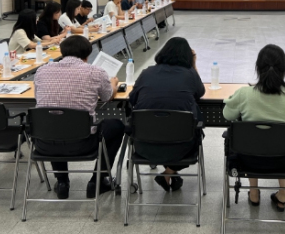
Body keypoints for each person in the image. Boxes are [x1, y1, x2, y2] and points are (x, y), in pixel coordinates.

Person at [34, 35, 124, 200]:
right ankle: (97, 180)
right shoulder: (95, 72)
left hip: (44, 144)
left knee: (55, 121)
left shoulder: (42, 71)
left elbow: (37, 97)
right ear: (87, 55)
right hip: (83, 144)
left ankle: (62, 182)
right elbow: (107, 97)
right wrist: (114, 84)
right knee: (116, 126)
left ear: (62, 52)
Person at [223, 44, 285, 211]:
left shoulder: (244, 94)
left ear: (258, 68)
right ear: (284, 70)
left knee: (251, 142)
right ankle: (283, 194)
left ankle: (253, 192)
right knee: (283, 143)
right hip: (283, 162)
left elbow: (227, 115)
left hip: (248, 161)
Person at [129, 37, 205, 191]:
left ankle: (169, 174)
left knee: (165, 129)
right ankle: (169, 173)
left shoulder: (147, 73)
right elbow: (200, 92)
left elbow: (132, 99)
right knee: (193, 130)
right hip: (183, 146)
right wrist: (193, 64)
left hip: (144, 145)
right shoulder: (189, 74)